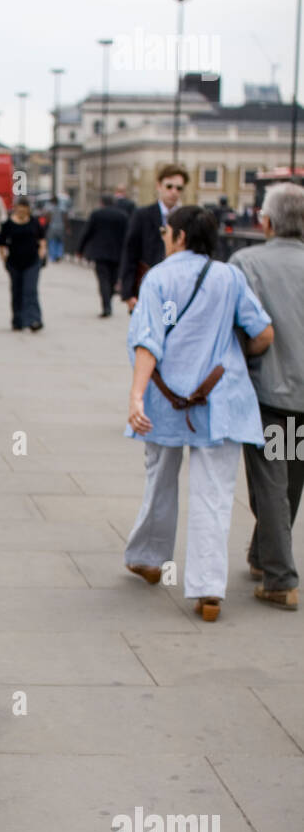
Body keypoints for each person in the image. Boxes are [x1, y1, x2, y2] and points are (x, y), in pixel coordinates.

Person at [124, 205, 273, 622]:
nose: (164, 237)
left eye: (166, 231)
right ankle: (208, 591)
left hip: (166, 399)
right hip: (220, 399)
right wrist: (237, 354)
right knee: (214, 495)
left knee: (160, 481)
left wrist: (136, 396)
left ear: (181, 237)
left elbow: (148, 341)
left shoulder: (158, 278)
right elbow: (263, 332)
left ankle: (150, 557)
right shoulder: (229, 276)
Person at [230, 182, 304, 610]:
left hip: (270, 392)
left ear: (267, 221)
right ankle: (263, 556)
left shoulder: (246, 261)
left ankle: (280, 578)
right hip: (300, 398)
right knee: (290, 481)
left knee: (270, 484)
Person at [119, 163, 189, 309]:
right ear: (159, 186)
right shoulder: (142, 215)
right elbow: (130, 252)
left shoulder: (188, 218)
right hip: (146, 287)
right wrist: (128, 293)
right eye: (169, 186)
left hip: (177, 291)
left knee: (171, 327)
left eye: (179, 188)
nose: (174, 192)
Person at [0, 196, 47, 332]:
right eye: (20, 209)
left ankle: (34, 319)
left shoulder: (34, 222)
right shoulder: (8, 224)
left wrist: (41, 254)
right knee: (16, 290)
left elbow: (42, 240)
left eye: (25, 210)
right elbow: (1, 244)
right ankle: (18, 319)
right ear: (15, 209)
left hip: (32, 261)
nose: (22, 212)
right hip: (14, 262)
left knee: (30, 290)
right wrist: (4, 259)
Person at [78, 192, 129, 317]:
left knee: (103, 280)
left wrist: (80, 249)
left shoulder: (97, 214)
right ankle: (108, 301)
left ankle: (106, 305)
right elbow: (128, 236)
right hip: (117, 253)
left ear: (102, 203)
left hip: (100, 253)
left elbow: (87, 232)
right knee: (112, 279)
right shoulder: (123, 215)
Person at [44, 197, 66, 262]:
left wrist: (46, 225)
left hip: (52, 227)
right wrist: (67, 227)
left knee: (52, 242)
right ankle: (59, 255)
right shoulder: (62, 208)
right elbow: (65, 218)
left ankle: (53, 256)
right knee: (60, 242)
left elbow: (48, 218)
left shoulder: (50, 208)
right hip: (61, 227)